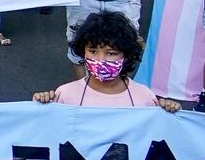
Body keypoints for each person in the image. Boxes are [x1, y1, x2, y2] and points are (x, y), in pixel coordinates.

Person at [33, 12, 179, 111]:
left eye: (111, 53)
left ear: (126, 55)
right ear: (83, 51)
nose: (100, 60)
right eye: (93, 51)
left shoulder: (144, 98)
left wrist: (169, 111)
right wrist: (40, 106)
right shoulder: (64, 95)